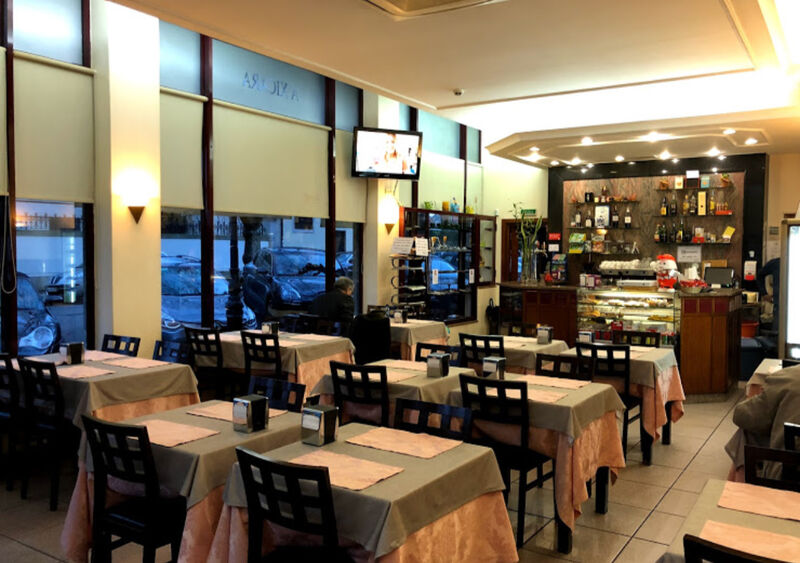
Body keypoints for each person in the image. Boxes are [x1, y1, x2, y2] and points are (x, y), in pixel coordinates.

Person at [727, 364, 800, 479]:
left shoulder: (788, 378)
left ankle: (737, 488)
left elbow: (741, 415)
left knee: (747, 433)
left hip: (789, 475)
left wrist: (760, 397)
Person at [757, 257, 780, 331]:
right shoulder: (777, 263)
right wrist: (764, 293)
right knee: (777, 332)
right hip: (779, 306)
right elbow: (760, 275)